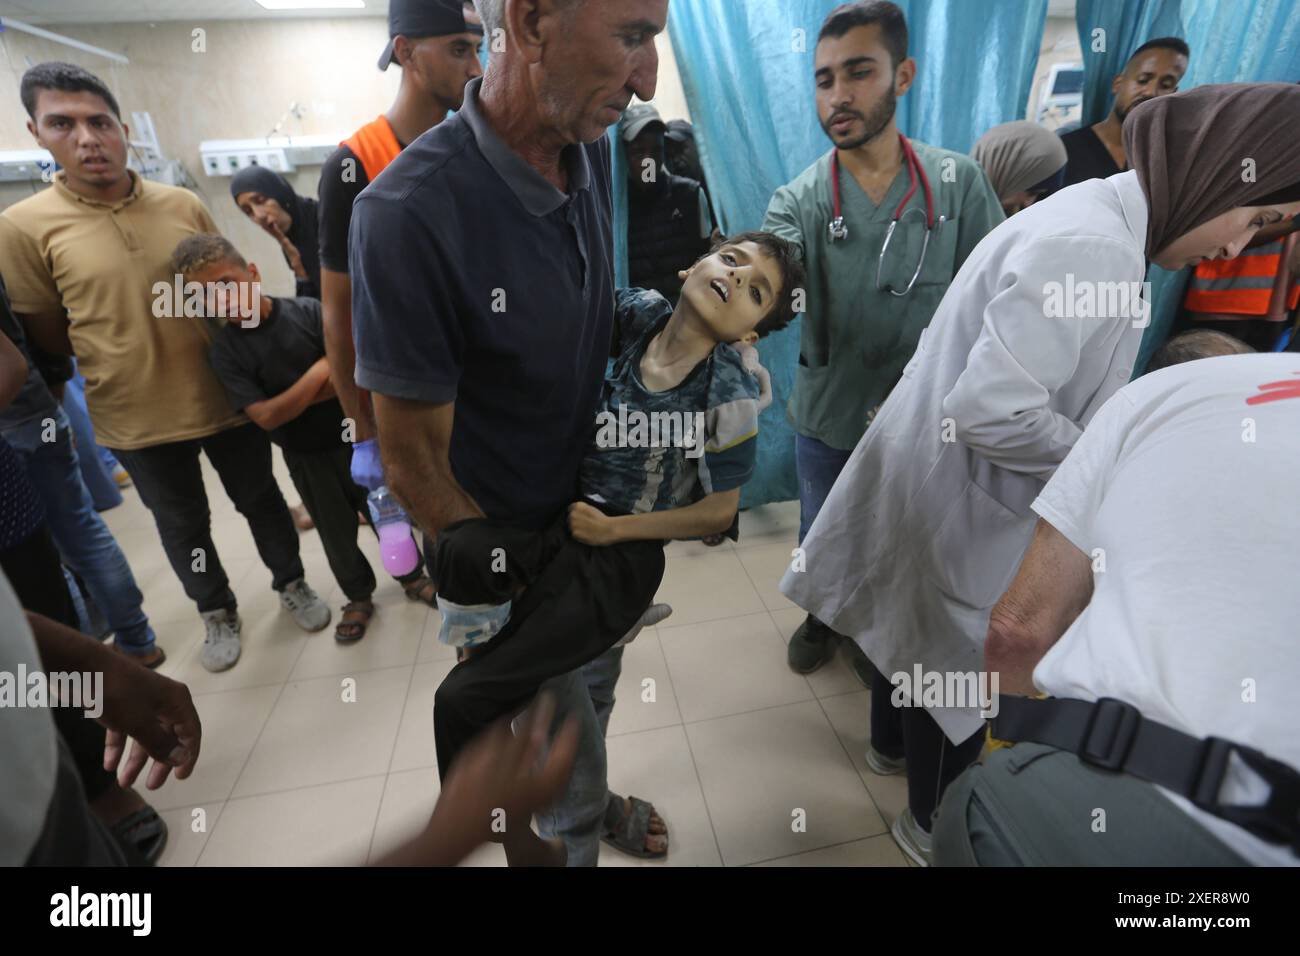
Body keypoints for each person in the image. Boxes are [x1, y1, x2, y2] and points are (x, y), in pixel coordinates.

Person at [780, 82, 1300, 865]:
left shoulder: (1100, 218)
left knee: (910, 643)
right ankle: (928, 822)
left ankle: (891, 755)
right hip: (963, 503)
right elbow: (992, 409)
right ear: (1218, 172)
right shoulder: (1091, 245)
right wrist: (1109, 467)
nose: (1234, 250)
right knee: (950, 678)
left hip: (945, 491)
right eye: (1253, 219)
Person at [350, 0, 672, 865]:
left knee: (587, 715)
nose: (648, 81)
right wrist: (522, 620)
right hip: (516, 570)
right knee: (536, 777)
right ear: (529, 25)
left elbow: (592, 315)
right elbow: (414, 463)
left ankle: (589, 794)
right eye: (634, 39)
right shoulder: (407, 213)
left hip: (593, 535)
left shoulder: (589, 151)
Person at [432, 233, 802, 831]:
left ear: (749, 332)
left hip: (618, 559)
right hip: (566, 522)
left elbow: (719, 513)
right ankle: (504, 662)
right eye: (731, 260)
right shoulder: (637, 315)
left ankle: (518, 818)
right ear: (693, 264)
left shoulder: (726, 391)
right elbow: (554, 323)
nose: (736, 278)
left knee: (496, 696)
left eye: (756, 290)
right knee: (461, 549)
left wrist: (616, 529)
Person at [0, 61, 330, 674]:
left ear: (123, 128)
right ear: (36, 133)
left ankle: (292, 583)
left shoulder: (181, 204)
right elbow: (47, 333)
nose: (87, 138)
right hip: (137, 420)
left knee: (262, 502)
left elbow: (221, 287)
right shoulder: (23, 228)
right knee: (185, 530)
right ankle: (217, 612)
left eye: (99, 122)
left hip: (226, 399)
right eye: (62, 124)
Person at [935, 351, 1300, 866]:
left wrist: (1009, 765)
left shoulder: (1169, 390)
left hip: (1035, 805)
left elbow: (1016, 629)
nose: (1226, 262)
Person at [761, 0, 1004, 679]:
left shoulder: (958, 184)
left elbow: (995, 298)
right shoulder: (800, 199)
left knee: (905, 536)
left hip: (927, 416)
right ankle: (822, 617)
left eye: (859, 72)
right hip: (832, 410)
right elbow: (772, 274)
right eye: (824, 78)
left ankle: (879, 634)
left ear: (903, 76)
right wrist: (738, 288)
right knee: (822, 534)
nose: (838, 96)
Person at [174, 233, 432, 641]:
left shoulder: (308, 313)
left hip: (357, 439)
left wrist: (306, 389)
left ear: (253, 274)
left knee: (388, 513)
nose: (220, 298)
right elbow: (266, 415)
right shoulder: (226, 352)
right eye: (204, 294)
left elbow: (352, 374)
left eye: (227, 283)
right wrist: (319, 372)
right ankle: (358, 595)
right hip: (305, 456)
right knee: (335, 531)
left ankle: (412, 576)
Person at [318, 0, 483, 513]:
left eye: (478, 50)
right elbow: (338, 311)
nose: (476, 69)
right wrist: (362, 432)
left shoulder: (481, 148)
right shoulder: (355, 164)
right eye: (459, 50)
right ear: (406, 52)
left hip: (485, 391)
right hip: (411, 397)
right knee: (449, 540)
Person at [0, 278, 164, 666]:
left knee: (45, 554)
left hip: (15, 426)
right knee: (78, 532)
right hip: (37, 410)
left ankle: (83, 663)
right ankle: (137, 644)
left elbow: (13, 361)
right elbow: (35, 335)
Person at [1058, 37, 1188, 188]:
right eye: (1143, 80)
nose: (1151, 92)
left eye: (1165, 85)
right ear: (1118, 84)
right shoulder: (1064, 152)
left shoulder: (1168, 162)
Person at [622, 102, 714, 305]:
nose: (649, 162)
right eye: (638, 152)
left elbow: (705, 262)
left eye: (656, 150)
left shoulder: (689, 195)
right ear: (624, 156)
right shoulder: (617, 209)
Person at [229, 165, 322, 300]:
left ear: (279, 193)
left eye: (260, 200)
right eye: (248, 211)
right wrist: (298, 268)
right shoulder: (290, 243)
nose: (258, 215)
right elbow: (312, 307)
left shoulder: (325, 220)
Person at [970, 120, 1068, 217]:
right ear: (1004, 172)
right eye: (1031, 193)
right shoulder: (957, 215)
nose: (1028, 204)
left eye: (1039, 196)